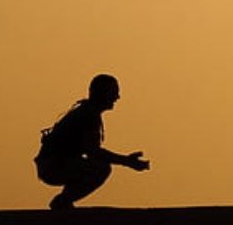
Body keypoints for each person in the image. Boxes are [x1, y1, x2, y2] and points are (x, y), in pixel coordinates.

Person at [34, 74, 150, 209]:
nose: (117, 97)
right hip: (53, 165)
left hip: (55, 164)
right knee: (100, 168)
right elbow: (93, 151)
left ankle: (64, 201)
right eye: (114, 92)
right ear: (103, 93)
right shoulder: (87, 115)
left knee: (97, 166)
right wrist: (126, 161)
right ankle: (63, 201)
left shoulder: (88, 113)